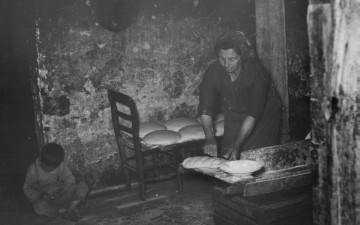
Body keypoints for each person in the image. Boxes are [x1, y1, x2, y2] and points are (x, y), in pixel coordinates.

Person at [199, 30, 283, 160]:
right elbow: (206, 107)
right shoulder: (213, 71)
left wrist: (238, 143)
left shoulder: (256, 73)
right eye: (222, 58)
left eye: (232, 59)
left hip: (263, 118)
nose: (226, 65)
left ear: (242, 57)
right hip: (234, 113)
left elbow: (253, 113)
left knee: (257, 159)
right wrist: (209, 137)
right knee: (228, 157)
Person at [23, 142, 89, 221]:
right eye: (47, 166)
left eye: (53, 167)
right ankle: (68, 210)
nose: (49, 169)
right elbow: (27, 188)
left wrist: (64, 188)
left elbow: (70, 178)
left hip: (62, 194)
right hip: (49, 197)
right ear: (41, 159)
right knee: (38, 207)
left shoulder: (61, 166)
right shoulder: (33, 170)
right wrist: (41, 195)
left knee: (82, 186)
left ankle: (69, 211)